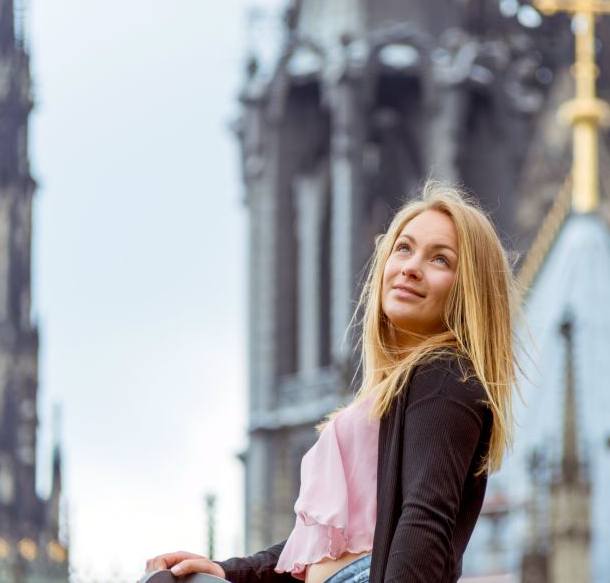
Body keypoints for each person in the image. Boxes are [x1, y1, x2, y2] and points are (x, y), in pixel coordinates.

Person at [144, 180, 519, 583]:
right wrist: (228, 571)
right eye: (404, 248)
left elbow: (424, 521)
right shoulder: (398, 389)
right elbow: (316, 551)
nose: (411, 266)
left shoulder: (445, 376)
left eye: (440, 260)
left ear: (470, 290)